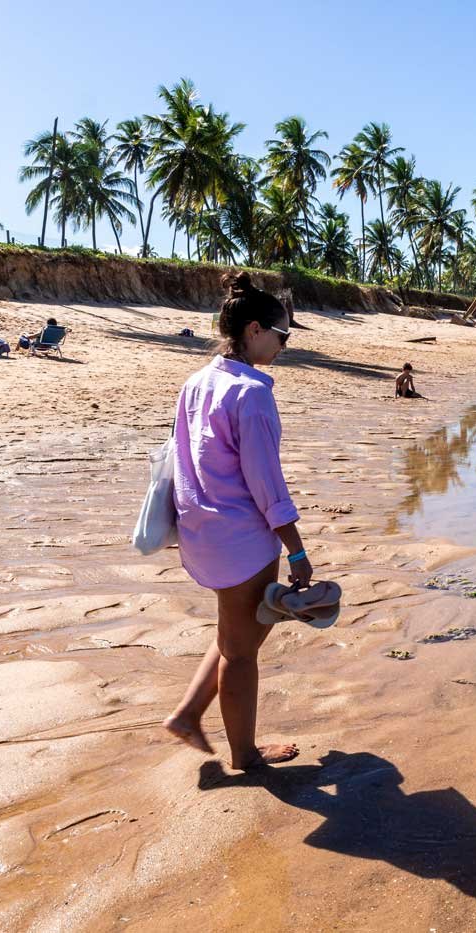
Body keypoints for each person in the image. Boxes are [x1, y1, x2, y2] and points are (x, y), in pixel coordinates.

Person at [162, 272, 312, 772]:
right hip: (241, 537)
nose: (285, 345)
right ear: (254, 330)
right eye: (282, 335)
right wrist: (296, 549)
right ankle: (245, 755)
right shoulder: (251, 394)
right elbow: (267, 484)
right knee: (242, 652)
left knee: (236, 634)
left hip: (201, 529)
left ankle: (187, 714)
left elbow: (181, 456)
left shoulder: (195, 382)